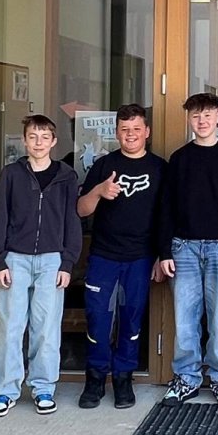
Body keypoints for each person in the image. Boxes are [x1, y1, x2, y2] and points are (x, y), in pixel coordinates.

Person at [0, 113, 82, 418]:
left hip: (52, 260)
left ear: (54, 142)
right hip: (15, 258)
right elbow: (1, 215)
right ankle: (6, 390)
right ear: (24, 141)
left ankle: (43, 388)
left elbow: (71, 220)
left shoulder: (66, 176)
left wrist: (68, 262)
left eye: (44, 137)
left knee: (46, 327)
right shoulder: (12, 174)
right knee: (10, 327)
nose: (38, 143)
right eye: (33, 137)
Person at [159, 93, 218, 405]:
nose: (202, 121)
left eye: (207, 115)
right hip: (183, 247)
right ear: (189, 119)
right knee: (185, 320)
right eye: (196, 116)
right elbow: (167, 208)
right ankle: (186, 378)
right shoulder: (179, 159)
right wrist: (165, 251)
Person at [75, 104, 167, 410]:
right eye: (125, 129)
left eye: (136, 129)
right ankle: (95, 378)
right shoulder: (104, 165)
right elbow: (81, 210)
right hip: (103, 256)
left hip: (140, 258)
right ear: (116, 133)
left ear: (147, 132)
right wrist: (99, 191)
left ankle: (123, 379)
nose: (131, 135)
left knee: (131, 319)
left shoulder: (160, 168)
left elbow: (166, 216)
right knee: (98, 318)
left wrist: (161, 254)